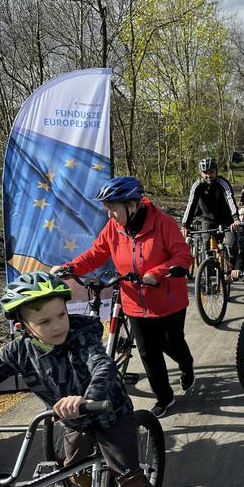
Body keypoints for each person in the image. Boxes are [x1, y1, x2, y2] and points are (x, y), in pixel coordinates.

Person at [0, 272, 164, 487]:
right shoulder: (17, 352)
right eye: (44, 322)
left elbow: (102, 364)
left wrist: (90, 397)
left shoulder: (81, 334)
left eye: (61, 314)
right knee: (72, 471)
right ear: (21, 326)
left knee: (130, 479)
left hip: (110, 414)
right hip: (75, 423)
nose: (58, 325)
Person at [53, 176, 194, 419]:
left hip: (167, 302)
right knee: (148, 352)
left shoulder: (163, 223)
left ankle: (186, 364)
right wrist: (70, 268)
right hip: (134, 302)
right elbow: (96, 254)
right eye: (107, 209)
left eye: (113, 209)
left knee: (172, 344)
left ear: (132, 205)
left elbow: (183, 256)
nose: (110, 215)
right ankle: (164, 397)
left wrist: (156, 273)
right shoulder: (113, 227)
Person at [182, 158, 240, 258]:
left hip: (227, 220)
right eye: (205, 172)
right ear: (200, 173)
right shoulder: (197, 186)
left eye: (211, 172)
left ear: (216, 171)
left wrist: (236, 219)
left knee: (232, 245)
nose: (209, 175)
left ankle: (232, 266)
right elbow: (191, 204)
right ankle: (209, 265)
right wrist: (185, 225)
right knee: (206, 246)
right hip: (207, 219)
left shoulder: (223, 183)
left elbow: (230, 199)